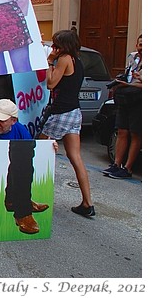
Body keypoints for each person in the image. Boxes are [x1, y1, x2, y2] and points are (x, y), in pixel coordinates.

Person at [0, 99, 53, 234]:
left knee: (24, 161)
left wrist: (51, 149)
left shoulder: (21, 131)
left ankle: (22, 210)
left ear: (13, 120)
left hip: (9, 163)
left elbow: (33, 154)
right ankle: (14, 201)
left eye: (2, 120)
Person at [38, 29, 94, 218]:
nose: (54, 48)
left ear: (64, 46)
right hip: (75, 112)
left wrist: (49, 61)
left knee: (36, 150)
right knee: (75, 157)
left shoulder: (63, 59)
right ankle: (87, 203)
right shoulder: (77, 61)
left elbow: (51, 83)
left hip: (61, 112)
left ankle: (29, 194)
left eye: (56, 45)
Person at [103, 34, 142, 179]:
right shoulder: (133, 58)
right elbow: (128, 74)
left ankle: (128, 168)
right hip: (125, 98)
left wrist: (132, 83)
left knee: (135, 133)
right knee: (121, 131)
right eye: (139, 44)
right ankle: (116, 164)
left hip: (139, 100)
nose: (141, 48)